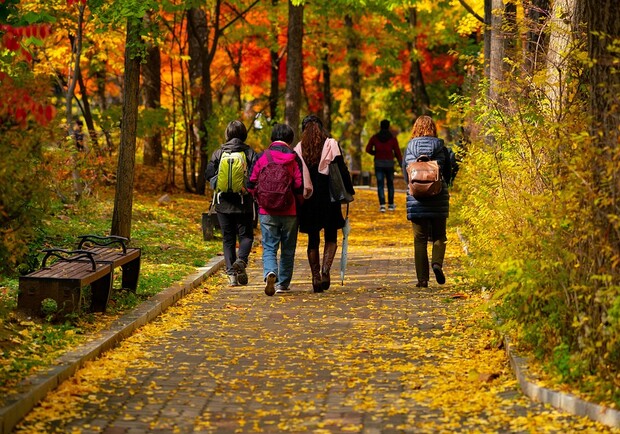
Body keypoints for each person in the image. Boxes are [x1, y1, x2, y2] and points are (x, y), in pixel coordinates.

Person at [294, 115, 354, 293]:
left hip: (309, 198)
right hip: (330, 197)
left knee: (313, 238)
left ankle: (315, 277)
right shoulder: (331, 145)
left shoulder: (299, 148)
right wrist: (349, 190)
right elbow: (341, 169)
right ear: (321, 128)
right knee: (331, 235)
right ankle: (326, 271)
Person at [247, 123, 304, 296]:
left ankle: (270, 272)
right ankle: (283, 284)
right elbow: (299, 185)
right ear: (290, 139)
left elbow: (250, 183)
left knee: (269, 246)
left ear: (272, 138)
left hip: (267, 211)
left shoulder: (262, 157)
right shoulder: (294, 158)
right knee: (288, 248)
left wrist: (260, 197)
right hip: (289, 210)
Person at [205, 120, 258, 287]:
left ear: (227, 133)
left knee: (228, 238)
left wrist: (218, 185)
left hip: (223, 202)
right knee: (246, 235)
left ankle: (232, 276)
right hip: (244, 202)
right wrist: (247, 189)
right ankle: (241, 260)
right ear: (244, 134)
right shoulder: (249, 152)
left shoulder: (218, 152)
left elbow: (208, 173)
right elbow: (256, 175)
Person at [402, 115, 449, 288]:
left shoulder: (409, 148)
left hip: (416, 198)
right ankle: (437, 262)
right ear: (433, 128)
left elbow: (404, 171)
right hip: (438, 195)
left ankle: (422, 280)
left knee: (419, 239)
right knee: (440, 235)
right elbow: (448, 170)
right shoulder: (441, 146)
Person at [365, 119, 402, 212]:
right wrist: (401, 163)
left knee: (380, 184)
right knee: (390, 184)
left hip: (379, 163)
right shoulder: (392, 138)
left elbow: (367, 149)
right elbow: (397, 152)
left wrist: (375, 153)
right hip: (389, 164)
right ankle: (391, 204)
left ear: (380, 126)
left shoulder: (375, 137)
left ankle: (382, 205)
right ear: (388, 127)